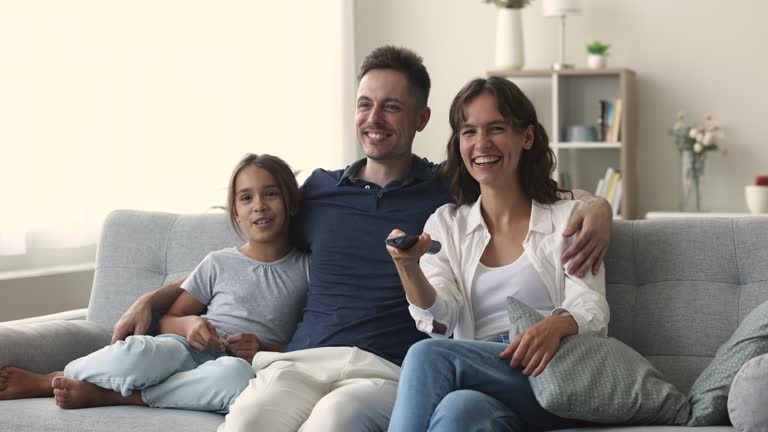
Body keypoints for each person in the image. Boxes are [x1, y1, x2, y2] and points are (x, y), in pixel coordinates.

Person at [104, 46, 613, 432]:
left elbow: (534, 194)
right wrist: (156, 299)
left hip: (384, 370)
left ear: (421, 120)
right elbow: (244, 256)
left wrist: (599, 206)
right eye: (365, 104)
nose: (374, 119)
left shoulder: (446, 192)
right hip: (297, 361)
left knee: (340, 416)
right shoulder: (320, 192)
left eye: (391, 107)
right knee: (248, 421)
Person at [0, 153, 310, 415]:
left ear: (291, 202)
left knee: (235, 379)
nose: (259, 205)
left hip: (241, 364)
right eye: (246, 197)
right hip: (185, 349)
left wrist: (263, 348)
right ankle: (51, 379)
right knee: (141, 354)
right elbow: (168, 322)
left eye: (271, 193)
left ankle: (113, 395)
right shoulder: (218, 262)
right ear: (236, 213)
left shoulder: (307, 270)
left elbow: (314, 346)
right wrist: (190, 325)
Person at [385, 77, 610, 432]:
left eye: (496, 128)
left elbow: (592, 309)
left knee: (426, 357)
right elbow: (441, 319)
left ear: (527, 137)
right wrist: (410, 268)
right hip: (482, 379)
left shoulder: (567, 219)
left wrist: (555, 325)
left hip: (552, 374)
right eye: (469, 131)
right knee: (459, 411)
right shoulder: (448, 224)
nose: (481, 144)